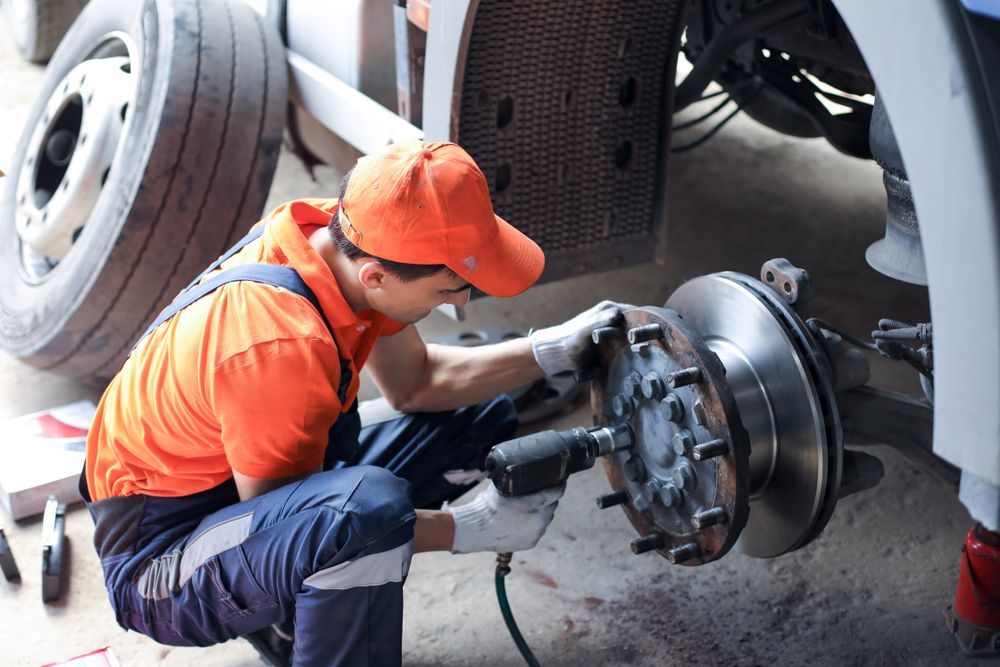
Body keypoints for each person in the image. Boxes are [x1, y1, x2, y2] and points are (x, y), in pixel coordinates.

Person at [80, 140, 624, 666]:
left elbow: (417, 382)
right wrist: (467, 526)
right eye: (450, 288)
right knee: (365, 514)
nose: (463, 301)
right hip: (159, 566)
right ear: (376, 277)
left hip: (230, 491)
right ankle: (297, 627)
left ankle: (297, 619)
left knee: (477, 417)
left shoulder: (338, 235)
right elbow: (315, 524)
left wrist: (550, 349)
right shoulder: (277, 347)